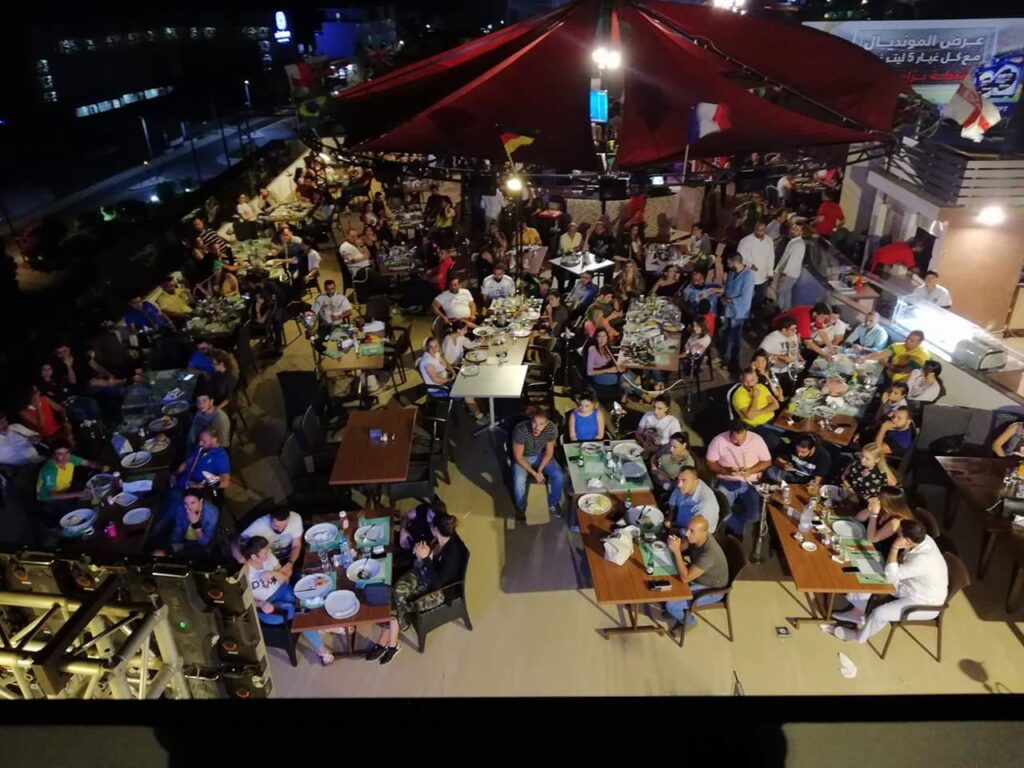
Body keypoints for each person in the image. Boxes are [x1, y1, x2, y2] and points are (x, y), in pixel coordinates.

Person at [365, 510, 468, 666]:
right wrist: (419, 556)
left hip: (439, 591)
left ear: (435, 529)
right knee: (395, 592)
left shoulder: (451, 552)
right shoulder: (437, 540)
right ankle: (390, 641)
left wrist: (426, 559)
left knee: (397, 602)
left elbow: (437, 583)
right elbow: (426, 563)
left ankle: (388, 642)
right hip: (425, 574)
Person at [820, 520, 948, 644]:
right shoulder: (924, 539)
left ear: (907, 541)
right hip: (908, 584)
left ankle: (858, 636)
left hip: (924, 601)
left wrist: (894, 547)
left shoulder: (922, 560)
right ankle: (857, 612)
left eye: (899, 534)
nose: (897, 535)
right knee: (869, 574)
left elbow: (890, 576)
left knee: (880, 614)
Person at [242, 536, 337, 666]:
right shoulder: (245, 571)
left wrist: (273, 574)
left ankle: (322, 630)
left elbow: (285, 577)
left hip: (281, 590)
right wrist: (260, 603)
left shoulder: (269, 559)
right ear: (254, 557)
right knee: (300, 611)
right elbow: (242, 598)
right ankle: (323, 642)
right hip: (265, 604)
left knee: (306, 599)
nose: (268, 553)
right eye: (264, 553)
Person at [706, 420, 772, 538]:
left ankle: (734, 527)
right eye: (735, 439)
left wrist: (751, 470)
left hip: (751, 482)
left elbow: (767, 461)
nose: (739, 442)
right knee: (721, 511)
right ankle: (738, 529)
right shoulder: (719, 440)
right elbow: (710, 462)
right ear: (730, 433)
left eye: (742, 439)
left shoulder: (756, 440)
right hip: (727, 481)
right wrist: (726, 471)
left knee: (755, 516)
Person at [663, 514, 729, 631]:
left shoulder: (708, 554)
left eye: (691, 531)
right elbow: (684, 546)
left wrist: (677, 552)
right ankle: (677, 611)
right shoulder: (696, 538)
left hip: (712, 589)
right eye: (687, 529)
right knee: (667, 583)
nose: (687, 533)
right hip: (699, 578)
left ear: (704, 533)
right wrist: (676, 546)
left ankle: (689, 622)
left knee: (671, 604)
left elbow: (685, 578)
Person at [510, 407, 564, 521]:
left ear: (547, 423)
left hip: (541, 455)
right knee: (519, 480)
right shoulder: (521, 430)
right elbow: (518, 457)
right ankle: (521, 506)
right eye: (534, 422)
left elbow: (549, 453)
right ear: (531, 419)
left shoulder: (551, 429)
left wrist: (540, 470)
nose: (536, 427)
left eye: (541, 424)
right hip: (523, 457)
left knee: (558, 475)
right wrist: (535, 474)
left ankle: (553, 503)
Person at [418, 337, 488, 424]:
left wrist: (453, 372)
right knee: (468, 394)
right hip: (440, 388)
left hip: (447, 380)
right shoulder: (428, 362)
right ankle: (479, 416)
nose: (434, 349)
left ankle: (474, 406)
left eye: (436, 346)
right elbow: (436, 380)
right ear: (427, 348)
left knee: (470, 382)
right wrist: (451, 379)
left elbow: (446, 364)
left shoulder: (436, 354)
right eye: (431, 347)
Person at [35, 442, 107, 505]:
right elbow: (54, 495)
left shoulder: (70, 458)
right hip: (49, 499)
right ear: (53, 456)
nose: (65, 457)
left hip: (65, 489)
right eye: (60, 454)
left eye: (67, 452)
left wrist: (102, 467)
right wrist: (80, 494)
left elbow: (88, 463)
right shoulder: (50, 471)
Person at [853, 487, 916, 559]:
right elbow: (859, 518)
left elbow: (872, 539)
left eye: (880, 497)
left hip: (879, 554)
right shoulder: (885, 510)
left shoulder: (896, 522)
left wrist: (874, 515)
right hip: (868, 544)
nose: (877, 499)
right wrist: (869, 509)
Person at [233, 505, 305, 567]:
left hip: (290, 554)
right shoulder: (259, 525)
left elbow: (296, 545)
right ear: (270, 518)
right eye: (276, 526)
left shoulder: (295, 518)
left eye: (284, 526)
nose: (280, 530)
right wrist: (240, 557)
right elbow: (236, 542)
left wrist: (290, 564)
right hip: (269, 558)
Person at [718, 251, 755, 368]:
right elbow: (728, 287)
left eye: (729, 263)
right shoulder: (731, 272)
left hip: (739, 311)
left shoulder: (748, 276)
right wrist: (723, 296)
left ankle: (734, 362)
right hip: (728, 308)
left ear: (736, 262)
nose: (728, 266)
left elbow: (746, 296)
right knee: (725, 332)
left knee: (735, 337)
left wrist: (729, 300)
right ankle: (723, 356)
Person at [161, 489, 219, 560]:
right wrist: (173, 545)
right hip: (183, 538)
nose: (189, 508)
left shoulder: (212, 513)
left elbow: (205, 542)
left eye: (193, 503)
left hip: (198, 543)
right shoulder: (181, 508)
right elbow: (178, 529)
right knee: (163, 550)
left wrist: (196, 524)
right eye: (186, 504)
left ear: (201, 501)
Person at [730, 367, 780, 448]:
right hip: (757, 426)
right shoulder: (739, 395)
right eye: (746, 381)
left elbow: (775, 405)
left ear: (757, 379)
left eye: (752, 380)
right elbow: (750, 416)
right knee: (776, 443)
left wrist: (758, 412)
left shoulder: (761, 387)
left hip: (773, 419)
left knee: (793, 433)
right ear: (741, 380)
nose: (750, 384)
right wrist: (755, 398)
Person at [767, 433, 832, 486]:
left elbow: (819, 479)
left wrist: (812, 484)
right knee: (770, 471)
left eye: (803, 452)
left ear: (812, 449)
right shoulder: (791, 446)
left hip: (806, 481)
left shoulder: (823, 456)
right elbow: (777, 460)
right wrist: (783, 465)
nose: (799, 454)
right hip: (791, 475)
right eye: (797, 450)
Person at [737, 220, 775, 308]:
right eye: (758, 230)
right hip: (749, 276)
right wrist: (750, 264)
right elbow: (739, 258)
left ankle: (755, 315)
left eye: (762, 230)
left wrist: (770, 273)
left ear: (765, 230)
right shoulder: (745, 241)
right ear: (754, 229)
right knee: (746, 298)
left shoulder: (769, 241)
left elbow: (771, 257)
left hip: (763, 277)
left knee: (759, 298)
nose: (759, 232)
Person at [773, 219, 806, 311]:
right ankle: (785, 311)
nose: (793, 230)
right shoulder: (794, 242)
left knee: (781, 292)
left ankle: (779, 312)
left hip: (788, 274)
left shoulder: (798, 244)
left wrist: (784, 274)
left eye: (797, 229)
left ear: (801, 232)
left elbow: (792, 261)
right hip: (789, 273)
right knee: (785, 293)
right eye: (793, 228)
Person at [311, 279, 355, 347]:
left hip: (338, 324)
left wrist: (340, 316)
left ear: (335, 288)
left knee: (348, 340)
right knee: (316, 341)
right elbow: (313, 312)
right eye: (328, 289)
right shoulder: (320, 298)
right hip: (325, 325)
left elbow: (349, 311)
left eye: (332, 289)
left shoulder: (341, 298)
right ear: (325, 289)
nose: (330, 291)